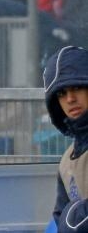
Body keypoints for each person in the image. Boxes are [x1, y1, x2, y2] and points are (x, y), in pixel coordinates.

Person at [43, 46, 88, 233]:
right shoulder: (66, 162)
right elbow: (59, 219)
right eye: (61, 93)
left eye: (77, 87)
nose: (70, 99)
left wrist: (77, 216)